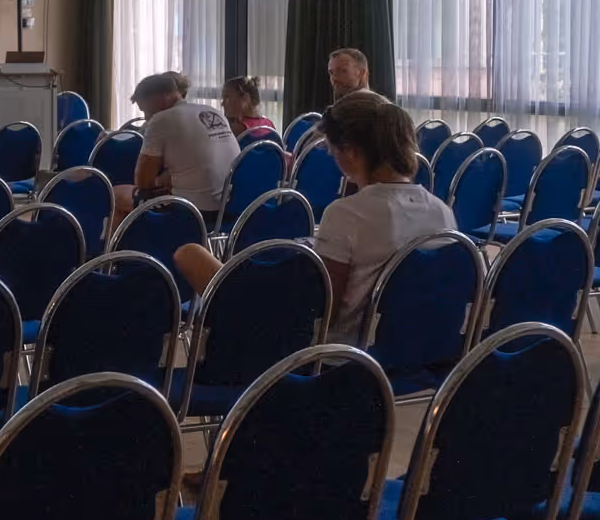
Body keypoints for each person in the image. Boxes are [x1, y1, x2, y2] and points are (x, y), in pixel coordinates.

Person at [177, 93, 454, 342]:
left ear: (351, 151)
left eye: (332, 150)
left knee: (190, 255)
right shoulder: (442, 211)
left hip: (335, 350)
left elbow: (322, 312)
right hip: (406, 343)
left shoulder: (348, 213)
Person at [113, 72, 239, 221]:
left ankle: (127, 244)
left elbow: (143, 183)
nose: (147, 118)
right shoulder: (212, 111)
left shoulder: (160, 119)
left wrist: (160, 181)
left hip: (194, 211)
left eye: (146, 111)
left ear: (160, 97)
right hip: (231, 207)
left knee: (116, 194)